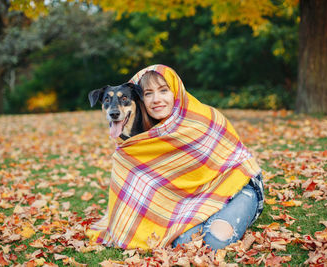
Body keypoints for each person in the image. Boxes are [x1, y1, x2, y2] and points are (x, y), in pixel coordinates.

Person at [86, 64, 264, 251]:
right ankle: (209, 216)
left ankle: (226, 214)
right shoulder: (139, 142)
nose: (156, 100)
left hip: (236, 186)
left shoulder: (204, 120)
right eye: (148, 94)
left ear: (176, 92)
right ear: (140, 99)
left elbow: (238, 164)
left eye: (164, 90)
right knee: (184, 243)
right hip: (190, 202)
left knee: (214, 242)